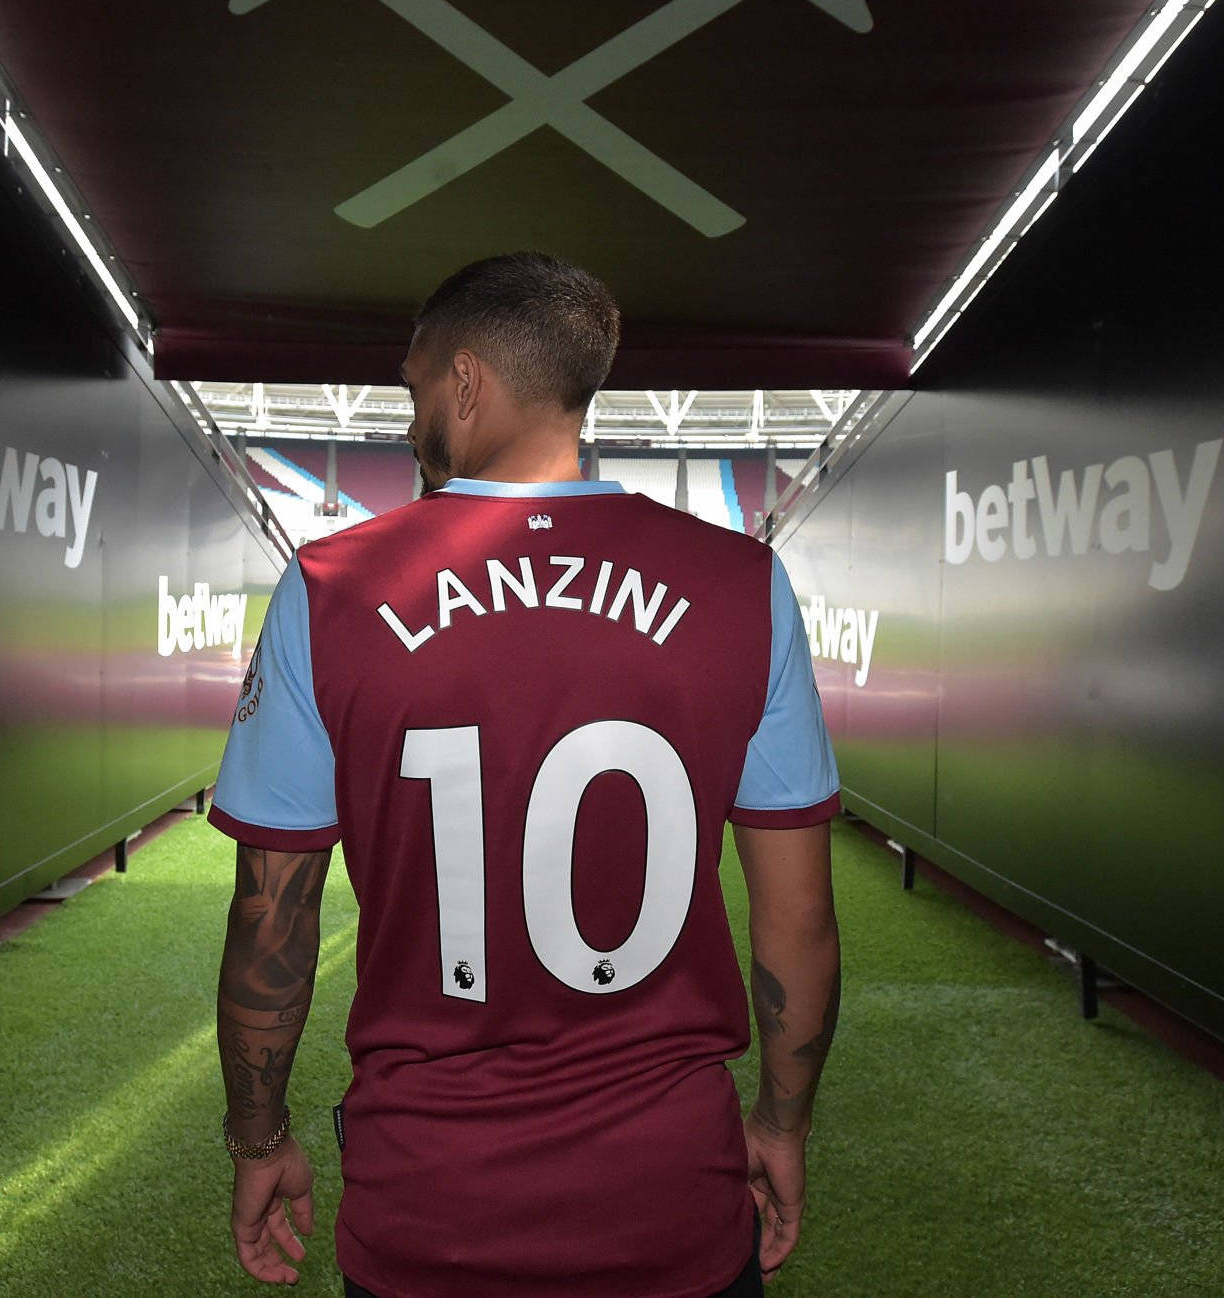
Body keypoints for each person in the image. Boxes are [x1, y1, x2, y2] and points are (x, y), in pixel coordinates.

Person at [211, 252, 842, 1297]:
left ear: (466, 383)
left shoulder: (328, 593)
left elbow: (268, 920)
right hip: (673, 1205)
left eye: (416, 391)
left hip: (425, 1214)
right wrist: (780, 1120)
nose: (410, 424)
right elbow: (799, 923)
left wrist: (256, 1135)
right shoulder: (744, 587)